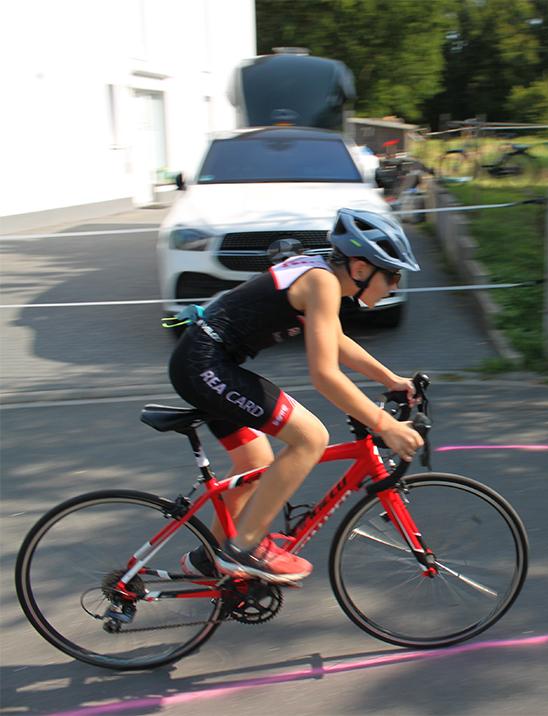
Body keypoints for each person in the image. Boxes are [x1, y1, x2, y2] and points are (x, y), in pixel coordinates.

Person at [168, 209, 425, 584]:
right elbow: (324, 376)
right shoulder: (322, 283)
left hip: (205, 360)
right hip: (205, 364)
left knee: (254, 463)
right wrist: (385, 425)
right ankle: (245, 548)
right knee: (311, 437)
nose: (394, 284)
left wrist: (390, 379)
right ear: (358, 268)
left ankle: (210, 557)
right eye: (392, 274)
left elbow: (334, 341)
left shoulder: (322, 276)